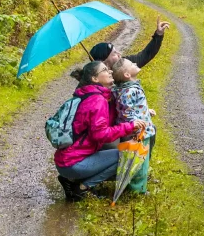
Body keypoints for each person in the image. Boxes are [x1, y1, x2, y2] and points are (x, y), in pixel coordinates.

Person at [55, 60, 147, 202]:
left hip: (68, 160)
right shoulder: (97, 100)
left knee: (122, 154)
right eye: (105, 70)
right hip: (73, 163)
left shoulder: (89, 95)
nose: (110, 71)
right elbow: (100, 134)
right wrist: (129, 126)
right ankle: (82, 187)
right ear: (95, 79)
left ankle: (71, 179)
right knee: (129, 157)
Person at [111, 58, 156, 194]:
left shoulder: (127, 89)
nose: (135, 64)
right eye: (131, 64)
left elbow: (130, 107)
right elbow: (127, 112)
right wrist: (135, 128)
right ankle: (137, 190)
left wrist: (146, 110)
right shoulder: (129, 91)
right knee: (140, 161)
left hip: (140, 129)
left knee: (138, 159)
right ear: (127, 75)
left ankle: (136, 184)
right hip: (138, 132)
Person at [89, 17, 170, 69]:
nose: (119, 54)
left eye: (116, 51)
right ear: (104, 63)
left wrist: (158, 34)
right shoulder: (95, 87)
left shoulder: (124, 64)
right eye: (114, 54)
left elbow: (145, 55)